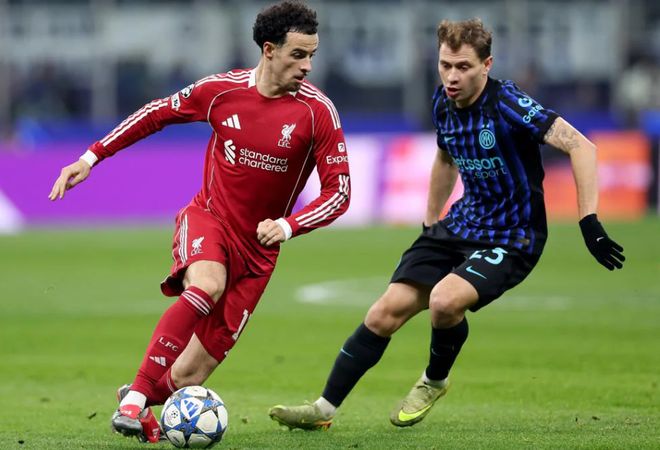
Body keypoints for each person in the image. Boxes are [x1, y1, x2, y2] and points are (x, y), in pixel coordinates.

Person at [268, 18, 625, 431]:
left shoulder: (507, 103)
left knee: (444, 301)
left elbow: (581, 146)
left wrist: (589, 221)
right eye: (445, 65)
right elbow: (444, 157)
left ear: (487, 65)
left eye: (463, 67)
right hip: (460, 225)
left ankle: (434, 381)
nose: (452, 77)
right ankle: (323, 409)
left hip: (513, 236)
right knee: (384, 312)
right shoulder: (442, 102)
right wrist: (430, 220)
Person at [49, 1, 350, 443]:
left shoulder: (317, 112)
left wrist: (289, 226)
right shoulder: (221, 91)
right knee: (207, 284)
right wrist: (91, 157)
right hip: (210, 218)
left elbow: (339, 193)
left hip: (259, 253)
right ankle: (135, 401)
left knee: (189, 374)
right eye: (298, 55)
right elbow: (156, 113)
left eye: (312, 56)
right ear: (269, 50)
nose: (307, 66)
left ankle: (138, 400)